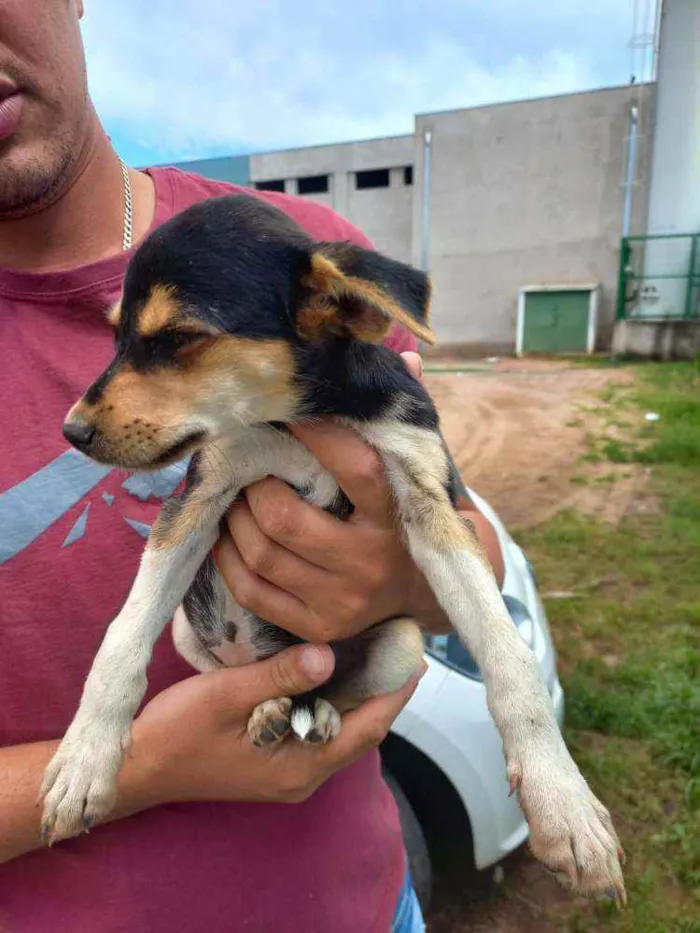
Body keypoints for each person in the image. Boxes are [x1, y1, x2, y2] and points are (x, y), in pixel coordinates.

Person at [0, 3, 504, 931]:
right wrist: (141, 763)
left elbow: (472, 537)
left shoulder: (292, 253)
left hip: (361, 903)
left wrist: (408, 572)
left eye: (175, 343)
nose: (86, 411)